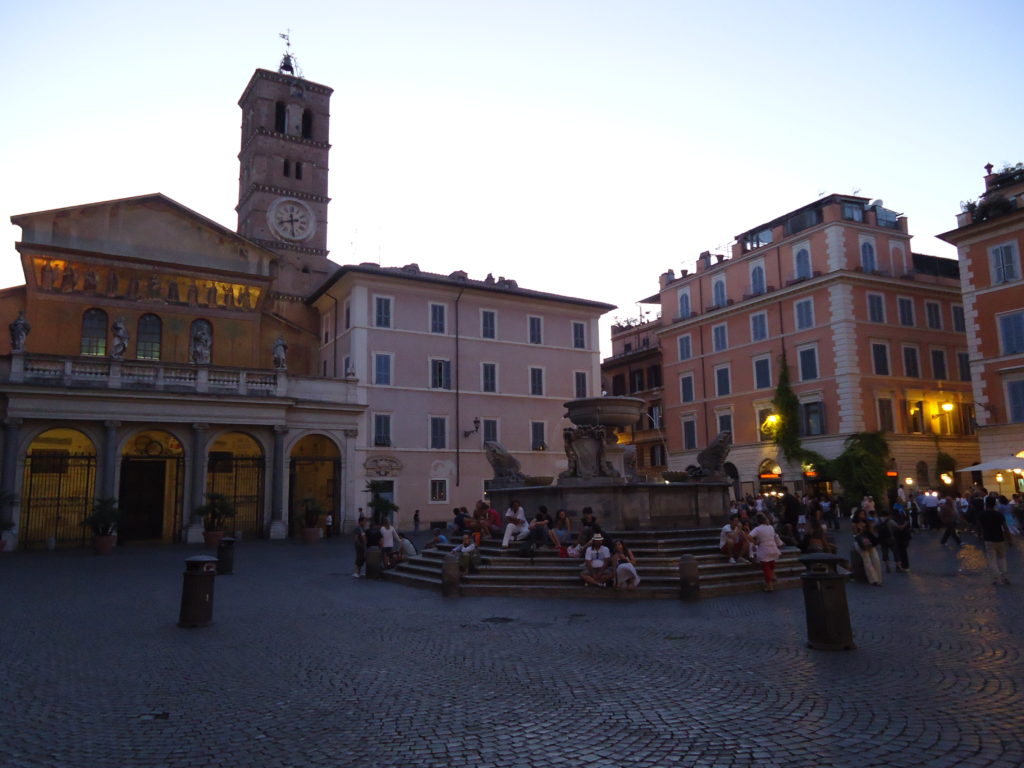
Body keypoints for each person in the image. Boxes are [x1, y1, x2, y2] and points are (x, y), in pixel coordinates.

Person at [980, 495, 1012, 585]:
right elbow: (1005, 528)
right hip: (1000, 538)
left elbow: (981, 528)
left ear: (986, 504)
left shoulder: (982, 515)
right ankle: (1004, 576)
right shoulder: (999, 515)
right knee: (1002, 558)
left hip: (988, 539)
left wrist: (981, 537)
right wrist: (1009, 540)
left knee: (992, 560)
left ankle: (996, 577)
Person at [748, 514, 784, 591]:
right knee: (771, 564)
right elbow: (775, 536)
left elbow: (749, 536)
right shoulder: (771, 527)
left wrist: (755, 542)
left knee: (766, 568)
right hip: (773, 547)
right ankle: (773, 576)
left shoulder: (757, 529)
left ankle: (769, 585)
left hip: (764, 549)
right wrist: (780, 543)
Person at [853, 520, 882, 586]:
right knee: (867, 561)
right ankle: (874, 579)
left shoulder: (868, 523)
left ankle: (878, 578)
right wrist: (860, 531)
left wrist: (869, 528)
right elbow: (855, 535)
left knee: (876, 559)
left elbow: (872, 534)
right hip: (861, 543)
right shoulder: (855, 524)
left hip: (870, 543)